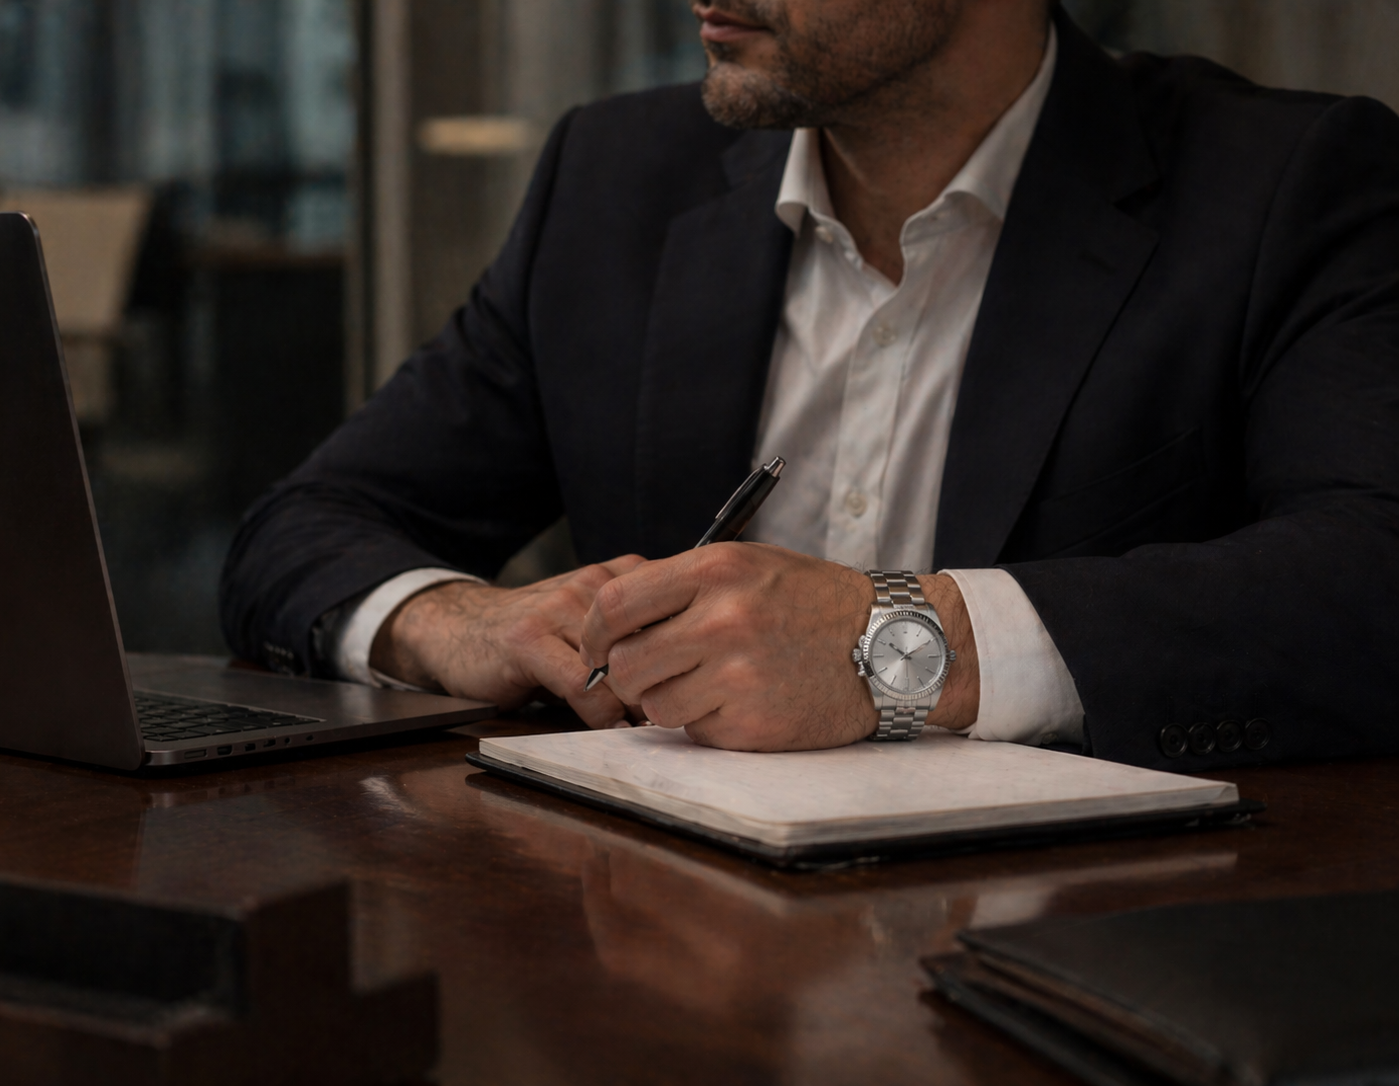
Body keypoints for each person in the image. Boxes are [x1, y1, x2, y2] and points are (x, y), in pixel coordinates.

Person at [220, 0, 1399, 769]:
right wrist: (462, 620)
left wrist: (898, 643)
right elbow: (302, 530)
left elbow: (1368, 576)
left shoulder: (1281, 183)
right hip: (667, 963)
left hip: (1088, 961)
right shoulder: (616, 180)